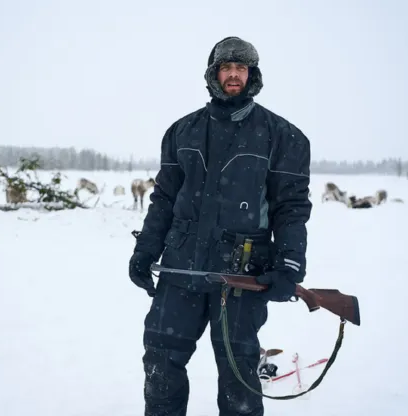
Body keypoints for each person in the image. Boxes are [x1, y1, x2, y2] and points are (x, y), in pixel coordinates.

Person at [128, 36, 313, 416]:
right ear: (213, 74)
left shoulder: (284, 137)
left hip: (243, 273)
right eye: (226, 68)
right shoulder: (182, 132)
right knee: (160, 363)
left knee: (238, 379)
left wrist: (289, 264)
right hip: (181, 270)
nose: (233, 75)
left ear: (252, 75)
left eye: (240, 68)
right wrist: (145, 250)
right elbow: (163, 199)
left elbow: (291, 208)